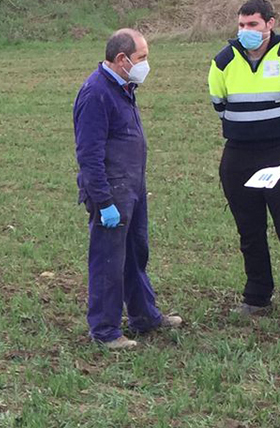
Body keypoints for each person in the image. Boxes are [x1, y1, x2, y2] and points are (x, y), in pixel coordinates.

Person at [208, 0, 280, 328]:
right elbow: (219, 104)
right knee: (249, 231)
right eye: (242, 25)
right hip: (238, 155)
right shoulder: (223, 61)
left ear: (270, 24)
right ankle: (257, 296)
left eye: (253, 25)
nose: (245, 31)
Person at [74, 29, 183, 350]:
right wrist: (103, 201)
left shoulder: (124, 88)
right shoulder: (96, 93)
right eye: (142, 58)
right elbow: (89, 154)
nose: (146, 64)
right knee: (108, 261)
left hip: (132, 186)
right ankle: (105, 330)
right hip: (112, 191)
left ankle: (144, 316)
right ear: (122, 59)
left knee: (136, 254)